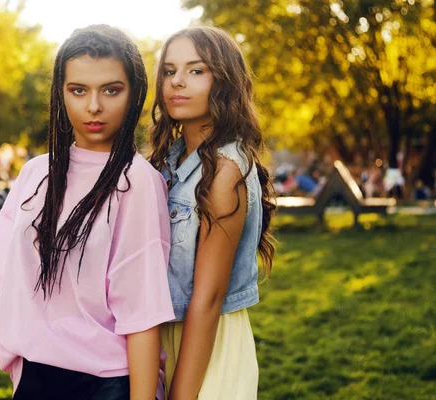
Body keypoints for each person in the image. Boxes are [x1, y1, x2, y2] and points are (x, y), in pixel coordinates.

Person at [0, 25, 174, 400]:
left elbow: (141, 313)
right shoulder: (34, 174)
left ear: (134, 93)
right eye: (78, 90)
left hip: (106, 384)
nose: (93, 106)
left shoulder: (138, 182)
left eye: (111, 90)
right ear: (60, 94)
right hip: (34, 379)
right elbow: (15, 288)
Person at [150, 25, 276, 399]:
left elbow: (207, 299)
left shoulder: (224, 168)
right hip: (165, 336)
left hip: (210, 344)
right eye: (170, 71)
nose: (178, 82)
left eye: (196, 70)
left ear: (225, 81)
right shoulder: (167, 163)